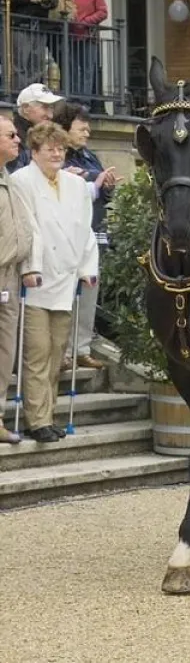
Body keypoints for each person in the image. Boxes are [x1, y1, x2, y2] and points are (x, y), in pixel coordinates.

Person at [10, 121, 98, 443]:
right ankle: (37, 420)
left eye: (61, 148)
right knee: (37, 352)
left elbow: (86, 229)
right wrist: (28, 268)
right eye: (50, 149)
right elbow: (27, 228)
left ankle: (48, 415)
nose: (57, 154)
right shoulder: (21, 182)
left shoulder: (75, 186)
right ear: (34, 152)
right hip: (36, 280)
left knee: (57, 352)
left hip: (65, 279)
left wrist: (88, 268)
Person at [58, 102, 117, 369]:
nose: (87, 133)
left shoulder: (89, 157)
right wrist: (95, 180)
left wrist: (105, 184)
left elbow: (103, 192)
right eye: (82, 128)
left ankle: (81, 348)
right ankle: (64, 352)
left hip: (92, 235)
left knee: (90, 292)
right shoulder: (61, 156)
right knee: (67, 296)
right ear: (66, 129)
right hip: (67, 238)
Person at [0, 117, 35, 443]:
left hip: (9, 277)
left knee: (5, 351)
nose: (18, 140)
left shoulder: (8, 177)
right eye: (11, 135)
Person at [67, 0, 108, 109]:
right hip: (69, 36)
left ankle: (84, 102)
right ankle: (72, 99)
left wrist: (86, 21)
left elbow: (103, 12)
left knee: (86, 70)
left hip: (87, 36)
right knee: (71, 68)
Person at [8, 82, 63, 172]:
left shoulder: (42, 135)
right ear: (26, 108)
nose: (50, 115)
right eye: (45, 107)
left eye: (51, 108)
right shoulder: (13, 137)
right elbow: (15, 179)